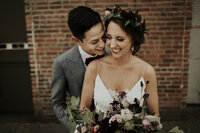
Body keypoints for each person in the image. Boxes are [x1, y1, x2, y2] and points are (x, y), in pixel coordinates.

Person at [80, 5, 160, 117]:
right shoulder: (94, 67)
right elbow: (84, 107)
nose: (112, 45)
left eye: (120, 39)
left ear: (133, 39)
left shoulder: (146, 71)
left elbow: (154, 114)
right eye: (108, 37)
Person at [51, 6, 106, 132]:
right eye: (94, 42)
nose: (103, 45)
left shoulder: (113, 54)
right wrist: (75, 128)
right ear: (77, 41)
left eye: (103, 37)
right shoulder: (61, 63)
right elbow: (57, 103)